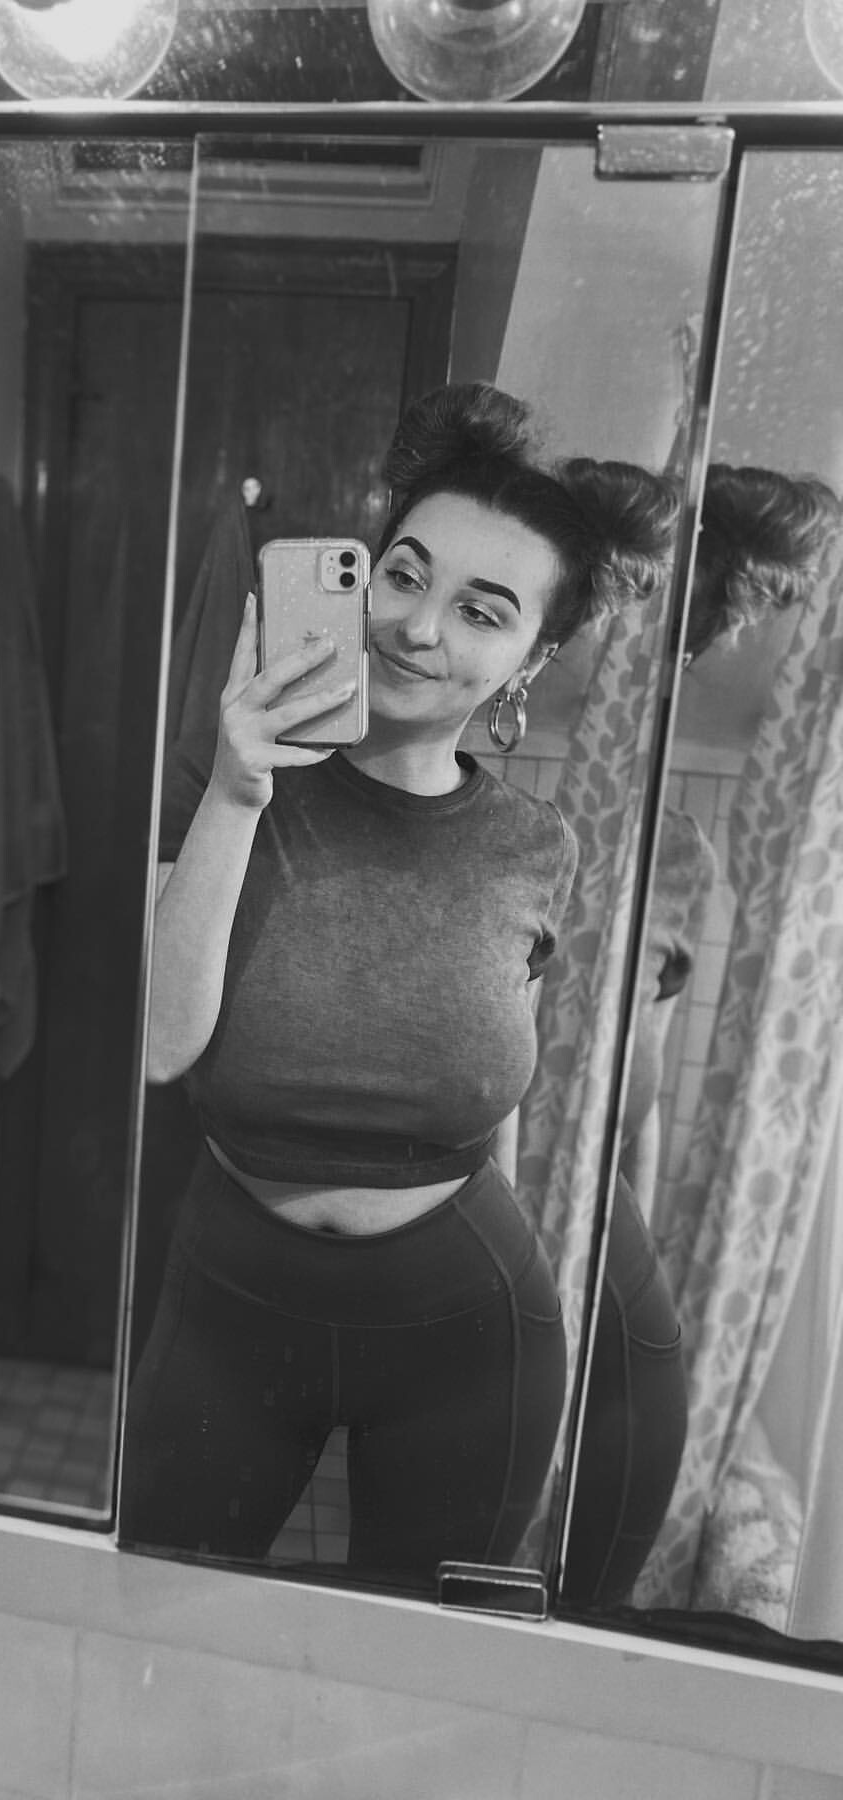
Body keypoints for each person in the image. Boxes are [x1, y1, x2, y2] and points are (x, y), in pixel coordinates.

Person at [119, 382, 675, 1586]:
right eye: (404, 575)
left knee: (411, 1663)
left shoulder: (537, 849)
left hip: (466, 1329)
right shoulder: (231, 783)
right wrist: (237, 793)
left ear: (532, 659)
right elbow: (161, 1047)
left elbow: (493, 1092)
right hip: (231, 1298)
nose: (418, 627)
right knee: (161, 1611)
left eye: (481, 609)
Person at [562, 462, 843, 1609]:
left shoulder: (682, 855)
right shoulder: (602, 834)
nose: (741, 636)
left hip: (616, 1155)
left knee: (640, 1379)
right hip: (557, 1157)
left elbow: (641, 1076)